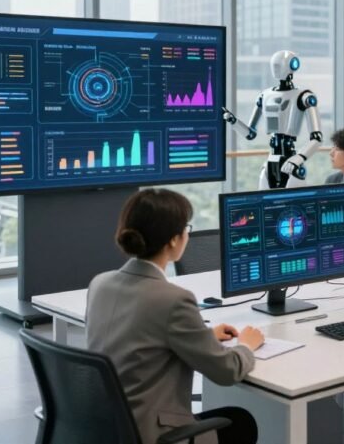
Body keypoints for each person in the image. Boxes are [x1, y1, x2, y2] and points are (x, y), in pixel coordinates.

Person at [86, 189, 264, 444]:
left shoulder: (99, 284)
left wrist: (203, 336)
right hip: (150, 433)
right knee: (241, 423)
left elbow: (138, 335)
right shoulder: (173, 299)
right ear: (173, 240)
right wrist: (247, 345)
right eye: (186, 228)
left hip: (106, 426)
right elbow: (227, 372)